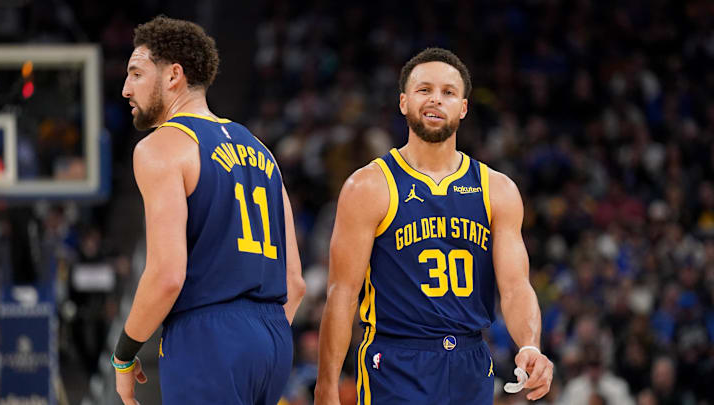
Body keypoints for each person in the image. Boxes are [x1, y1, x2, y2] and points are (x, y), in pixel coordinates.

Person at [314, 48, 553, 404]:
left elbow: (516, 288)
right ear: (403, 102)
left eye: (448, 92)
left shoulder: (497, 190)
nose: (435, 100)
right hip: (396, 360)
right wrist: (327, 385)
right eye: (424, 89)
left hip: (470, 360)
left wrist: (530, 344)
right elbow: (343, 294)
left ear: (464, 107)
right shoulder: (369, 186)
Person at [113, 16, 306, 405]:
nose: (125, 89)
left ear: (173, 76)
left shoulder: (160, 147)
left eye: (136, 73)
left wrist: (123, 355)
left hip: (208, 335)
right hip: (272, 339)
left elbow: (167, 275)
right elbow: (295, 282)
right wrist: (253, 337)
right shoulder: (261, 150)